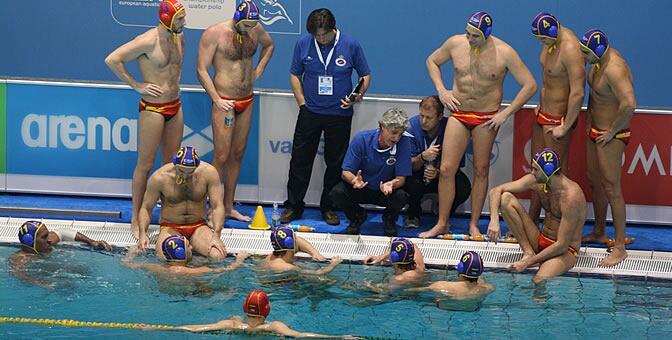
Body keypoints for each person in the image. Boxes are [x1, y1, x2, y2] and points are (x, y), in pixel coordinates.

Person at [421, 11, 537, 238]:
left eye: (474, 36)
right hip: (459, 113)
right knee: (445, 169)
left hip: (486, 117)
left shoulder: (505, 52)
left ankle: (473, 224)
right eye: (467, 33)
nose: (469, 39)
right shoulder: (456, 43)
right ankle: (442, 223)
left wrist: (506, 113)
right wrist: (441, 90)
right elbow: (432, 61)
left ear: (486, 35)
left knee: (481, 170)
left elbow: (530, 85)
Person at [105, 0, 187, 239]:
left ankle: (166, 217)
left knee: (172, 165)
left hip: (175, 105)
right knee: (145, 164)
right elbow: (112, 59)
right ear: (166, 18)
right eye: (180, 18)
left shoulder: (178, 37)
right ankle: (135, 217)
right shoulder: (147, 40)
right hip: (153, 108)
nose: (184, 22)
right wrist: (137, 85)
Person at [282, 8, 371, 226]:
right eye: (316, 36)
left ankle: (329, 207)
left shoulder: (351, 44)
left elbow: (365, 75)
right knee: (300, 161)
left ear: (333, 29)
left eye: (324, 35)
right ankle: (294, 206)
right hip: (310, 112)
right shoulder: (303, 44)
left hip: (339, 113)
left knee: (335, 163)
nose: (320, 39)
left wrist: (357, 95)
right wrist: (302, 102)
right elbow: (295, 73)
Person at [197, 0, 275, 222]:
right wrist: (216, 99)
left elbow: (270, 45)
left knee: (237, 154)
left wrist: (258, 70)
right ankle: (212, 206)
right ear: (237, 17)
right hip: (225, 103)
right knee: (221, 156)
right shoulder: (214, 34)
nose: (250, 28)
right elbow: (201, 70)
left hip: (246, 100)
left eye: (253, 24)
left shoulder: (254, 28)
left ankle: (229, 206)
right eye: (246, 24)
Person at [578, 29, 636, 267]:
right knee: (595, 181)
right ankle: (599, 231)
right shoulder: (598, 63)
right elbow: (596, 98)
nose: (583, 56)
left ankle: (619, 246)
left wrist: (612, 130)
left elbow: (630, 104)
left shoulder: (614, 68)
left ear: (597, 51)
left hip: (612, 135)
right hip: (596, 132)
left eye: (586, 52)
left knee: (613, 188)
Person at [487, 149, 586, 283]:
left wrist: (527, 263)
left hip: (565, 251)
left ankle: (531, 259)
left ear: (548, 171)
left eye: (535, 169)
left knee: (539, 280)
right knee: (505, 199)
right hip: (541, 240)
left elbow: (562, 245)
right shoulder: (538, 181)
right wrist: (494, 220)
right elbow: (495, 191)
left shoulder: (571, 196)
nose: (532, 172)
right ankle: (528, 252)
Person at [527, 12, 586, 225]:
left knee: (554, 177)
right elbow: (548, 77)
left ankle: (556, 227)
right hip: (543, 114)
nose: (541, 43)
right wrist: (541, 102)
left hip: (557, 120)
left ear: (554, 32)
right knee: (537, 171)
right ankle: (531, 220)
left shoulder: (570, 49)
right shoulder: (550, 40)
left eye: (543, 39)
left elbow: (578, 92)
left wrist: (566, 126)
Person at [329, 108, 412, 236]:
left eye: (401, 134)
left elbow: (401, 179)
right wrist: (354, 180)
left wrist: (391, 184)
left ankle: (389, 218)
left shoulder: (404, 143)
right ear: (382, 127)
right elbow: (345, 172)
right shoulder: (361, 139)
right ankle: (356, 216)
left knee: (402, 195)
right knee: (337, 192)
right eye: (394, 132)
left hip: (385, 191)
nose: (397, 138)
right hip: (362, 187)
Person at [136, 146, 227, 261]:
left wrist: (216, 236)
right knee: (169, 259)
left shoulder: (209, 173)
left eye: (190, 172)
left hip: (198, 227)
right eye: (181, 171)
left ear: (196, 166)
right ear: (175, 165)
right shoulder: (160, 178)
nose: (185, 175)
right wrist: (142, 234)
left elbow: (217, 206)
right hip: (171, 227)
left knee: (217, 255)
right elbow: (146, 208)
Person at [154, 290, 355, 338]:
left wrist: (161, 327)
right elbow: (302, 336)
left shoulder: (231, 324)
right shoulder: (274, 327)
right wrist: (339, 337)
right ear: (267, 310)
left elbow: (196, 329)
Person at [403, 96, 471, 228]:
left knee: (463, 187)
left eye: (429, 118)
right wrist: (422, 157)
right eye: (421, 115)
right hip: (418, 172)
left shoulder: (452, 129)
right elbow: (407, 166)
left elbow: (457, 165)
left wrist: (439, 173)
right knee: (409, 182)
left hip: (442, 173)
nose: (423, 121)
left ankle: (443, 212)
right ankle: (412, 214)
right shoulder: (411, 128)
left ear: (440, 117)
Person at [9, 221, 112, 288]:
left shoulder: (46, 243)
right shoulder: (20, 259)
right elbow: (19, 275)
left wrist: (91, 241)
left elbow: (62, 232)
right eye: (44, 237)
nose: (49, 239)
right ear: (30, 241)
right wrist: (43, 284)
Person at [122, 240, 249, 276]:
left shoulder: (156, 268)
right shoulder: (196, 271)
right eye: (188, 246)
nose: (192, 247)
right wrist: (240, 259)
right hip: (190, 294)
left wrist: (131, 253)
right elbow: (229, 269)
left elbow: (126, 264)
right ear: (180, 252)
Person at [408, 251, 494, 298]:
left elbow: (412, 291)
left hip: (444, 310)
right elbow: (480, 280)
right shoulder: (488, 288)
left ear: (460, 268)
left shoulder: (440, 286)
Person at [260, 226, 342, 274]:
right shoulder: (289, 268)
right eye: (295, 237)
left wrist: (315, 253)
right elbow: (318, 273)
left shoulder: (272, 256)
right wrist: (333, 264)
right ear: (290, 244)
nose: (298, 240)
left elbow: (299, 241)